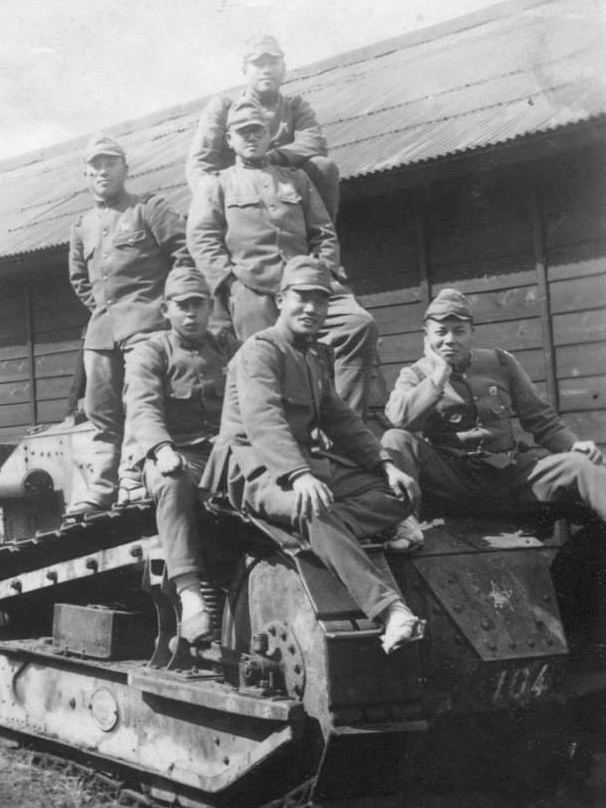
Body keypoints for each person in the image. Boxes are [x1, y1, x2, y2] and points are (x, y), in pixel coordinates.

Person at [202, 256, 425, 653]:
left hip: (305, 465)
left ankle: (332, 534)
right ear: (281, 299)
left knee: (401, 494)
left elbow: (341, 420)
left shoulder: (312, 355)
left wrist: (385, 464)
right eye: (301, 298)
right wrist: (299, 476)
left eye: (320, 301)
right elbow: (263, 421)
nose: (311, 309)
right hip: (255, 471)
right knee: (313, 510)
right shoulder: (261, 350)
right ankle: (391, 611)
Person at [187, 99, 377, 417]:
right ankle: (283, 434)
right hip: (253, 286)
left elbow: (323, 232)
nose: (251, 137)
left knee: (358, 325)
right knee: (264, 358)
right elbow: (202, 240)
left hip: (305, 285)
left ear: (269, 136)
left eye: (257, 130)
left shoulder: (296, 179)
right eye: (242, 132)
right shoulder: (216, 184)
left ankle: (347, 425)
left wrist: (324, 274)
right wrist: (231, 284)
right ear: (229, 140)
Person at [381, 288, 606, 522]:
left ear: (471, 333)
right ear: (426, 336)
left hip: (509, 474)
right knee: (395, 438)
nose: (450, 340)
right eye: (440, 332)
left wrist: (572, 444)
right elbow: (399, 419)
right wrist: (438, 377)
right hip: (454, 479)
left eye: (459, 331)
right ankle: (406, 526)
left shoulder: (500, 363)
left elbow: (541, 418)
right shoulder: (415, 374)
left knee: (582, 464)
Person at [68, 134, 193, 515]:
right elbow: (79, 279)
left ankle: (133, 481)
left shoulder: (149, 208)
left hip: (148, 322)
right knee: (101, 410)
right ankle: (101, 487)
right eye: (95, 167)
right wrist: (105, 312)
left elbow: (184, 255)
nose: (102, 172)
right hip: (103, 331)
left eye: (109, 164)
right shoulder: (82, 224)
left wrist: (165, 306)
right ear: (87, 175)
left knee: (139, 402)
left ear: (125, 168)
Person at [124, 267, 238, 643]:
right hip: (177, 453)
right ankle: (191, 596)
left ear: (210, 308)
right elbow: (142, 408)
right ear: (165, 309)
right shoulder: (152, 351)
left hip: (227, 452)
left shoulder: (226, 347)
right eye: (182, 306)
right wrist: (160, 448)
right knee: (170, 483)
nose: (191, 314)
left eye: (198, 305)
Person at [185, 35, 340, 222]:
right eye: (258, 64)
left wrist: (270, 158)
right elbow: (199, 164)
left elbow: (315, 142)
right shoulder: (224, 107)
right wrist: (212, 204)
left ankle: (322, 240)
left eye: (273, 63)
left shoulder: (294, 106)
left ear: (283, 68)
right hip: (239, 196)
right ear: (244, 69)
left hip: (285, 191)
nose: (266, 70)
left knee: (323, 166)